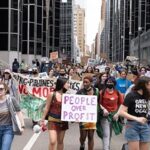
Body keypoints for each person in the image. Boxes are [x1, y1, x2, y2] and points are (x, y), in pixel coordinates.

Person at [119, 76, 150, 150]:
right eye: (149, 84)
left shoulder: (147, 96)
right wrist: (137, 118)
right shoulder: (131, 95)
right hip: (132, 125)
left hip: (145, 125)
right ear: (143, 85)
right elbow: (121, 112)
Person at [41, 77, 70, 150]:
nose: (69, 85)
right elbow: (47, 107)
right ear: (62, 84)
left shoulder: (68, 96)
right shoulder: (52, 94)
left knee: (60, 141)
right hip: (52, 120)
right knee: (53, 141)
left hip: (63, 121)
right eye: (68, 83)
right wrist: (42, 119)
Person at [98, 77, 123, 150]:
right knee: (106, 134)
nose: (109, 83)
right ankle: (106, 148)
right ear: (105, 83)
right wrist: (103, 109)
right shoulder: (102, 92)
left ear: (114, 83)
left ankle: (106, 146)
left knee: (110, 134)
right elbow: (98, 103)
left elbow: (121, 104)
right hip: (104, 115)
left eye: (111, 82)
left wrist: (117, 114)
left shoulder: (117, 92)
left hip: (114, 116)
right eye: (108, 82)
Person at [76, 75, 99, 150]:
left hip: (92, 116)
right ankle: (82, 144)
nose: (85, 84)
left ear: (91, 83)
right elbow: (75, 105)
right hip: (83, 117)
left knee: (90, 136)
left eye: (87, 82)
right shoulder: (80, 92)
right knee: (83, 136)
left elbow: (99, 102)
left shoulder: (96, 91)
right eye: (84, 82)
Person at [0, 82, 25, 150]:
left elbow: (18, 112)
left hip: (8, 129)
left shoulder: (11, 99)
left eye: (1, 89)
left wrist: (22, 125)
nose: (0, 91)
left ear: (5, 90)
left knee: (4, 148)